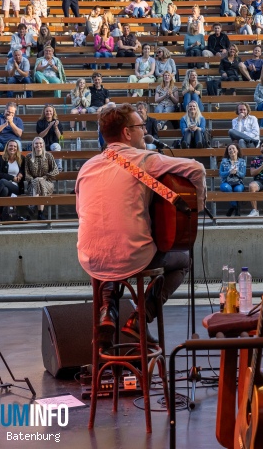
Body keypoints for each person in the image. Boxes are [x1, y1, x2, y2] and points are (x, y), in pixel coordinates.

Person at [77, 102, 205, 345]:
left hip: (90, 258)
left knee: (113, 256)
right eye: (140, 127)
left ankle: (108, 311)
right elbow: (197, 169)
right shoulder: (144, 159)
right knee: (182, 261)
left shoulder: (87, 167)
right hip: (132, 256)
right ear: (127, 132)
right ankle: (140, 317)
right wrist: (199, 205)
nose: (145, 132)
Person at [0, 140, 26, 222]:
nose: (12, 148)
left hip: (15, 187)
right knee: (4, 189)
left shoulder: (22, 159)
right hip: (1, 186)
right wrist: (12, 178)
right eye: (10, 146)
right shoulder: (0, 158)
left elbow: (25, 171)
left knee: (3, 181)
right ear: (7, 147)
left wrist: (21, 174)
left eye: (15, 146)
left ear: (17, 148)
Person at [24, 136, 58, 221]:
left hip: (47, 183)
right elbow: (26, 173)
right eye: (36, 143)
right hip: (32, 184)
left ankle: (32, 207)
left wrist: (44, 177)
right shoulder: (28, 157)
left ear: (43, 145)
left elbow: (56, 170)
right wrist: (33, 180)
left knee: (40, 181)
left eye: (40, 143)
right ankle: (40, 213)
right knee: (37, 181)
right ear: (33, 145)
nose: (38, 145)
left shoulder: (48, 155)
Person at [220, 144, 246, 216]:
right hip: (226, 182)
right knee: (227, 188)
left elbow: (243, 174)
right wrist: (229, 172)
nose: (232, 150)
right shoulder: (224, 161)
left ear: (237, 150)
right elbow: (221, 173)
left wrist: (236, 172)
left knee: (238, 190)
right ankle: (235, 206)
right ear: (228, 152)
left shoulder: (242, 161)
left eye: (233, 148)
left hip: (238, 182)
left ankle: (232, 207)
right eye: (229, 149)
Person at [36, 104, 63, 171]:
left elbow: (60, 137)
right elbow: (40, 136)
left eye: (50, 111)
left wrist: (56, 128)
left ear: (53, 112)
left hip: (53, 143)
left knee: (56, 146)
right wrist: (49, 126)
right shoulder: (40, 122)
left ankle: (59, 168)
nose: (48, 113)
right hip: (43, 144)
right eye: (47, 111)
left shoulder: (58, 122)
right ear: (44, 112)